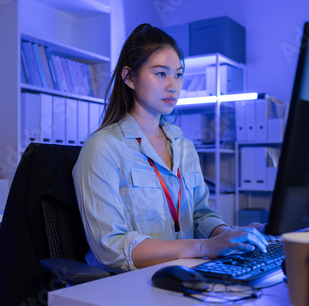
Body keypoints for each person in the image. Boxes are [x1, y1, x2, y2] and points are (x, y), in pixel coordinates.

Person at [73, 23, 269, 272]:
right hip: (129, 286)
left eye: (178, 74)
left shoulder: (184, 146)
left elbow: (200, 214)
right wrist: (206, 247)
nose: (173, 85)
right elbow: (111, 247)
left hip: (185, 273)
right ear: (129, 77)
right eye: (160, 73)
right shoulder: (102, 147)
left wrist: (228, 236)